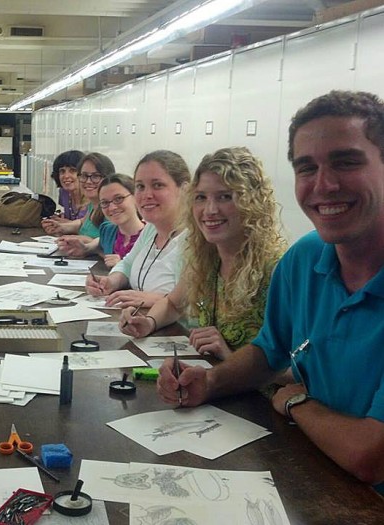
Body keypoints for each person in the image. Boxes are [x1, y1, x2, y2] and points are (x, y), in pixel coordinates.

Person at [157, 90, 384, 492]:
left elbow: (372, 455)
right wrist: (209, 383)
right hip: (317, 475)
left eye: (346, 162)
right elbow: (268, 351)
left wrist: (297, 403)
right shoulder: (305, 259)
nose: (324, 185)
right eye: (306, 168)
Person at [121, 147, 287, 359]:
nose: (210, 210)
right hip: (214, 380)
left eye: (225, 197)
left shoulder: (278, 268)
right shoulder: (206, 256)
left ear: (252, 203)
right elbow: (173, 304)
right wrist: (149, 323)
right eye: (200, 197)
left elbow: (305, 366)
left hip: (258, 391)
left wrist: (231, 356)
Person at [86, 151, 190, 308]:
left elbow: (197, 303)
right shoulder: (151, 229)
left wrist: (156, 300)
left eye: (158, 185)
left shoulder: (193, 239)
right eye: (140, 186)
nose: (146, 195)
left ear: (184, 189)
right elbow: (127, 264)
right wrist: (111, 281)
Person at [61, 174, 145, 268]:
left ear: (136, 197)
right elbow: (100, 242)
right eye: (105, 203)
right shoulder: (108, 230)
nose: (112, 207)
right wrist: (86, 248)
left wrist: (124, 266)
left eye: (118, 199)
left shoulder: (152, 237)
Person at [44, 152, 115, 251]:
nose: (88, 181)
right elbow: (83, 223)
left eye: (95, 176)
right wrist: (61, 227)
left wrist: (84, 240)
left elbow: (110, 242)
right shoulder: (92, 204)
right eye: (84, 176)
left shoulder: (112, 208)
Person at [49, 150, 87, 221]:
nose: (66, 176)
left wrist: (66, 223)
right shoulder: (63, 192)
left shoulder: (93, 199)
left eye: (72, 171)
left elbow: (91, 229)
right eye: (62, 171)